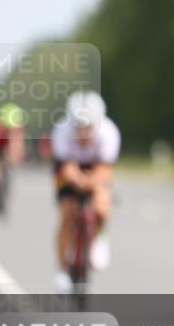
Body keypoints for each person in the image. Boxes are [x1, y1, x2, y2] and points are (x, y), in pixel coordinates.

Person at [51, 91, 121, 293]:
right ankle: (62, 270)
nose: (83, 133)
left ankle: (100, 237)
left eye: (88, 127)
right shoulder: (61, 131)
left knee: (102, 202)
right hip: (70, 167)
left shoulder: (109, 133)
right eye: (78, 127)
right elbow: (66, 167)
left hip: (96, 166)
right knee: (67, 213)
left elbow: (105, 169)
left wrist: (93, 182)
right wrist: (77, 180)